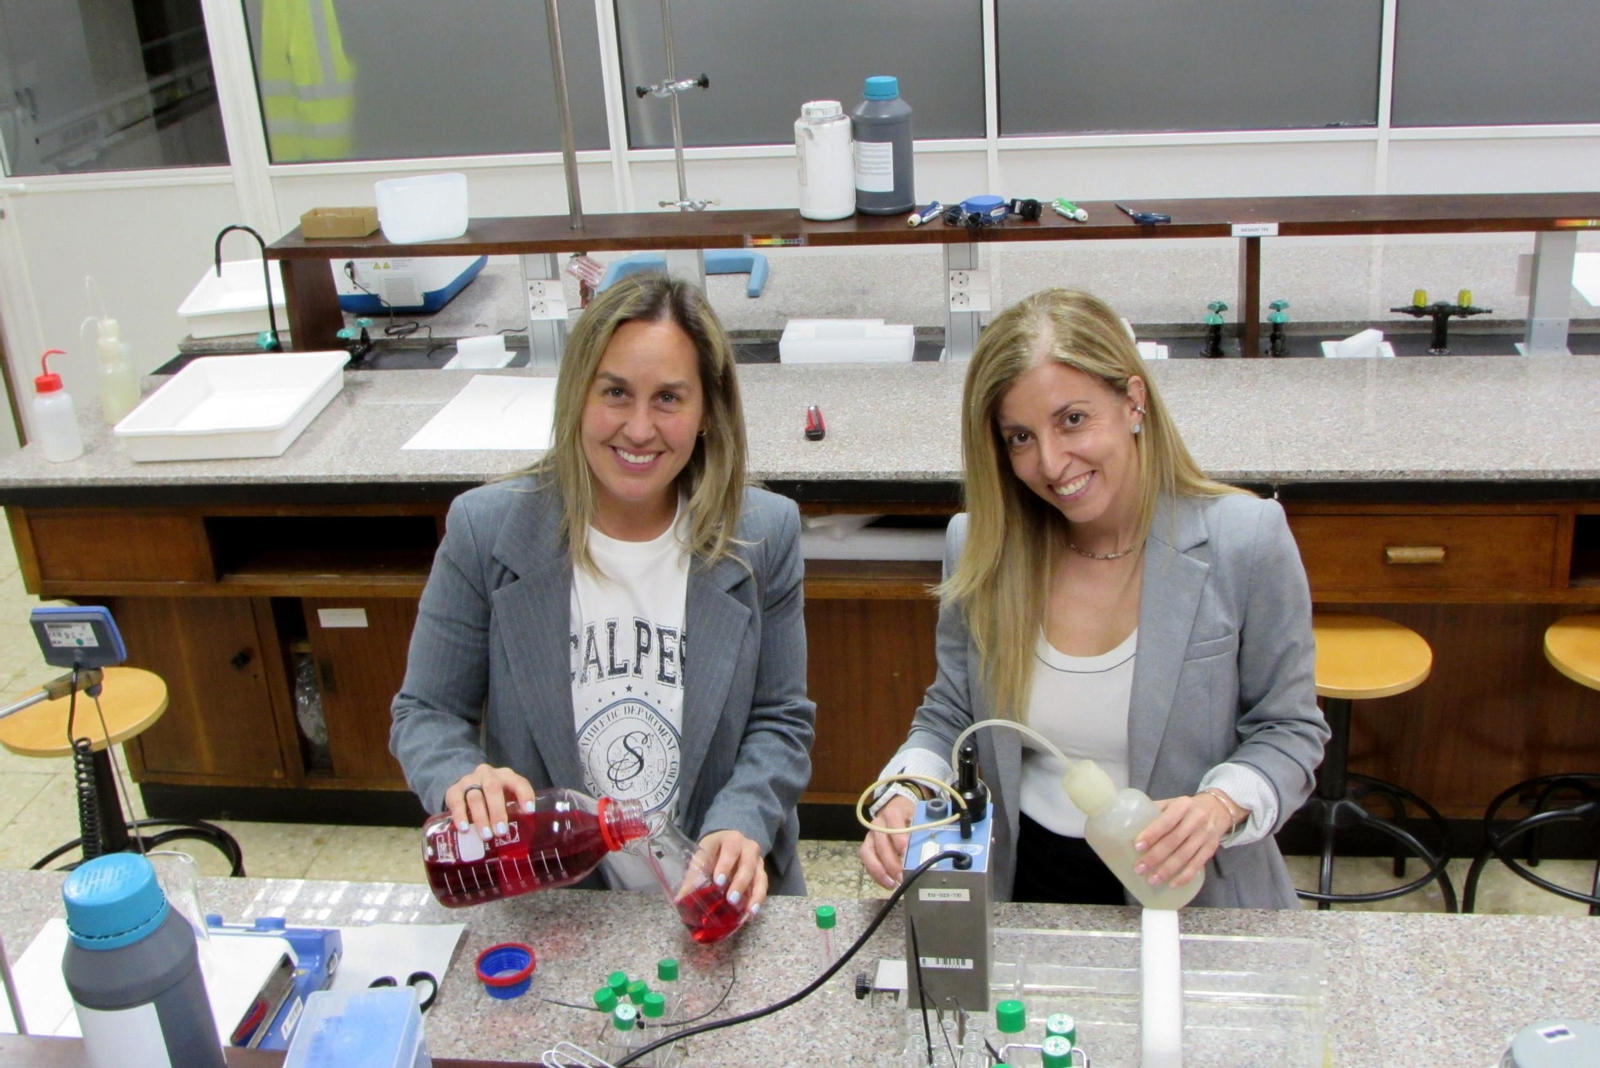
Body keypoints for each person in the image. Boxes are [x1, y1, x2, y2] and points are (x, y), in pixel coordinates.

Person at [859, 288, 1328, 908]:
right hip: (1026, 884)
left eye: (1072, 419)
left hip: (1191, 890)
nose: (1051, 463)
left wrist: (1219, 805)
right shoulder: (982, 545)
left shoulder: (1244, 541)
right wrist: (907, 789)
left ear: (1133, 400)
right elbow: (953, 715)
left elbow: (1289, 728)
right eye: (1020, 437)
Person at [392, 275, 815, 909]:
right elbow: (425, 712)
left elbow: (780, 720)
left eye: (669, 398)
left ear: (707, 414)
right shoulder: (486, 532)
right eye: (615, 393)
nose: (639, 429)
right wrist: (462, 779)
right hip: (555, 902)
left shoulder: (762, 534)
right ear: (577, 398)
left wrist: (742, 821)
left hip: (714, 899)